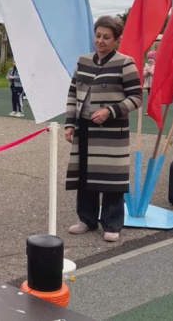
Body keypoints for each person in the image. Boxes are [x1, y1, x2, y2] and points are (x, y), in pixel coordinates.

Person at [64, 16, 142, 243]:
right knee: (85, 176)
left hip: (111, 132)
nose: (100, 41)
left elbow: (136, 97)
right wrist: (70, 123)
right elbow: (72, 94)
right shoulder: (83, 61)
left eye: (107, 37)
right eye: (98, 35)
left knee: (111, 179)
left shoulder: (125, 63)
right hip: (86, 129)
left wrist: (111, 111)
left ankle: (112, 224)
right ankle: (87, 220)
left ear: (116, 39)